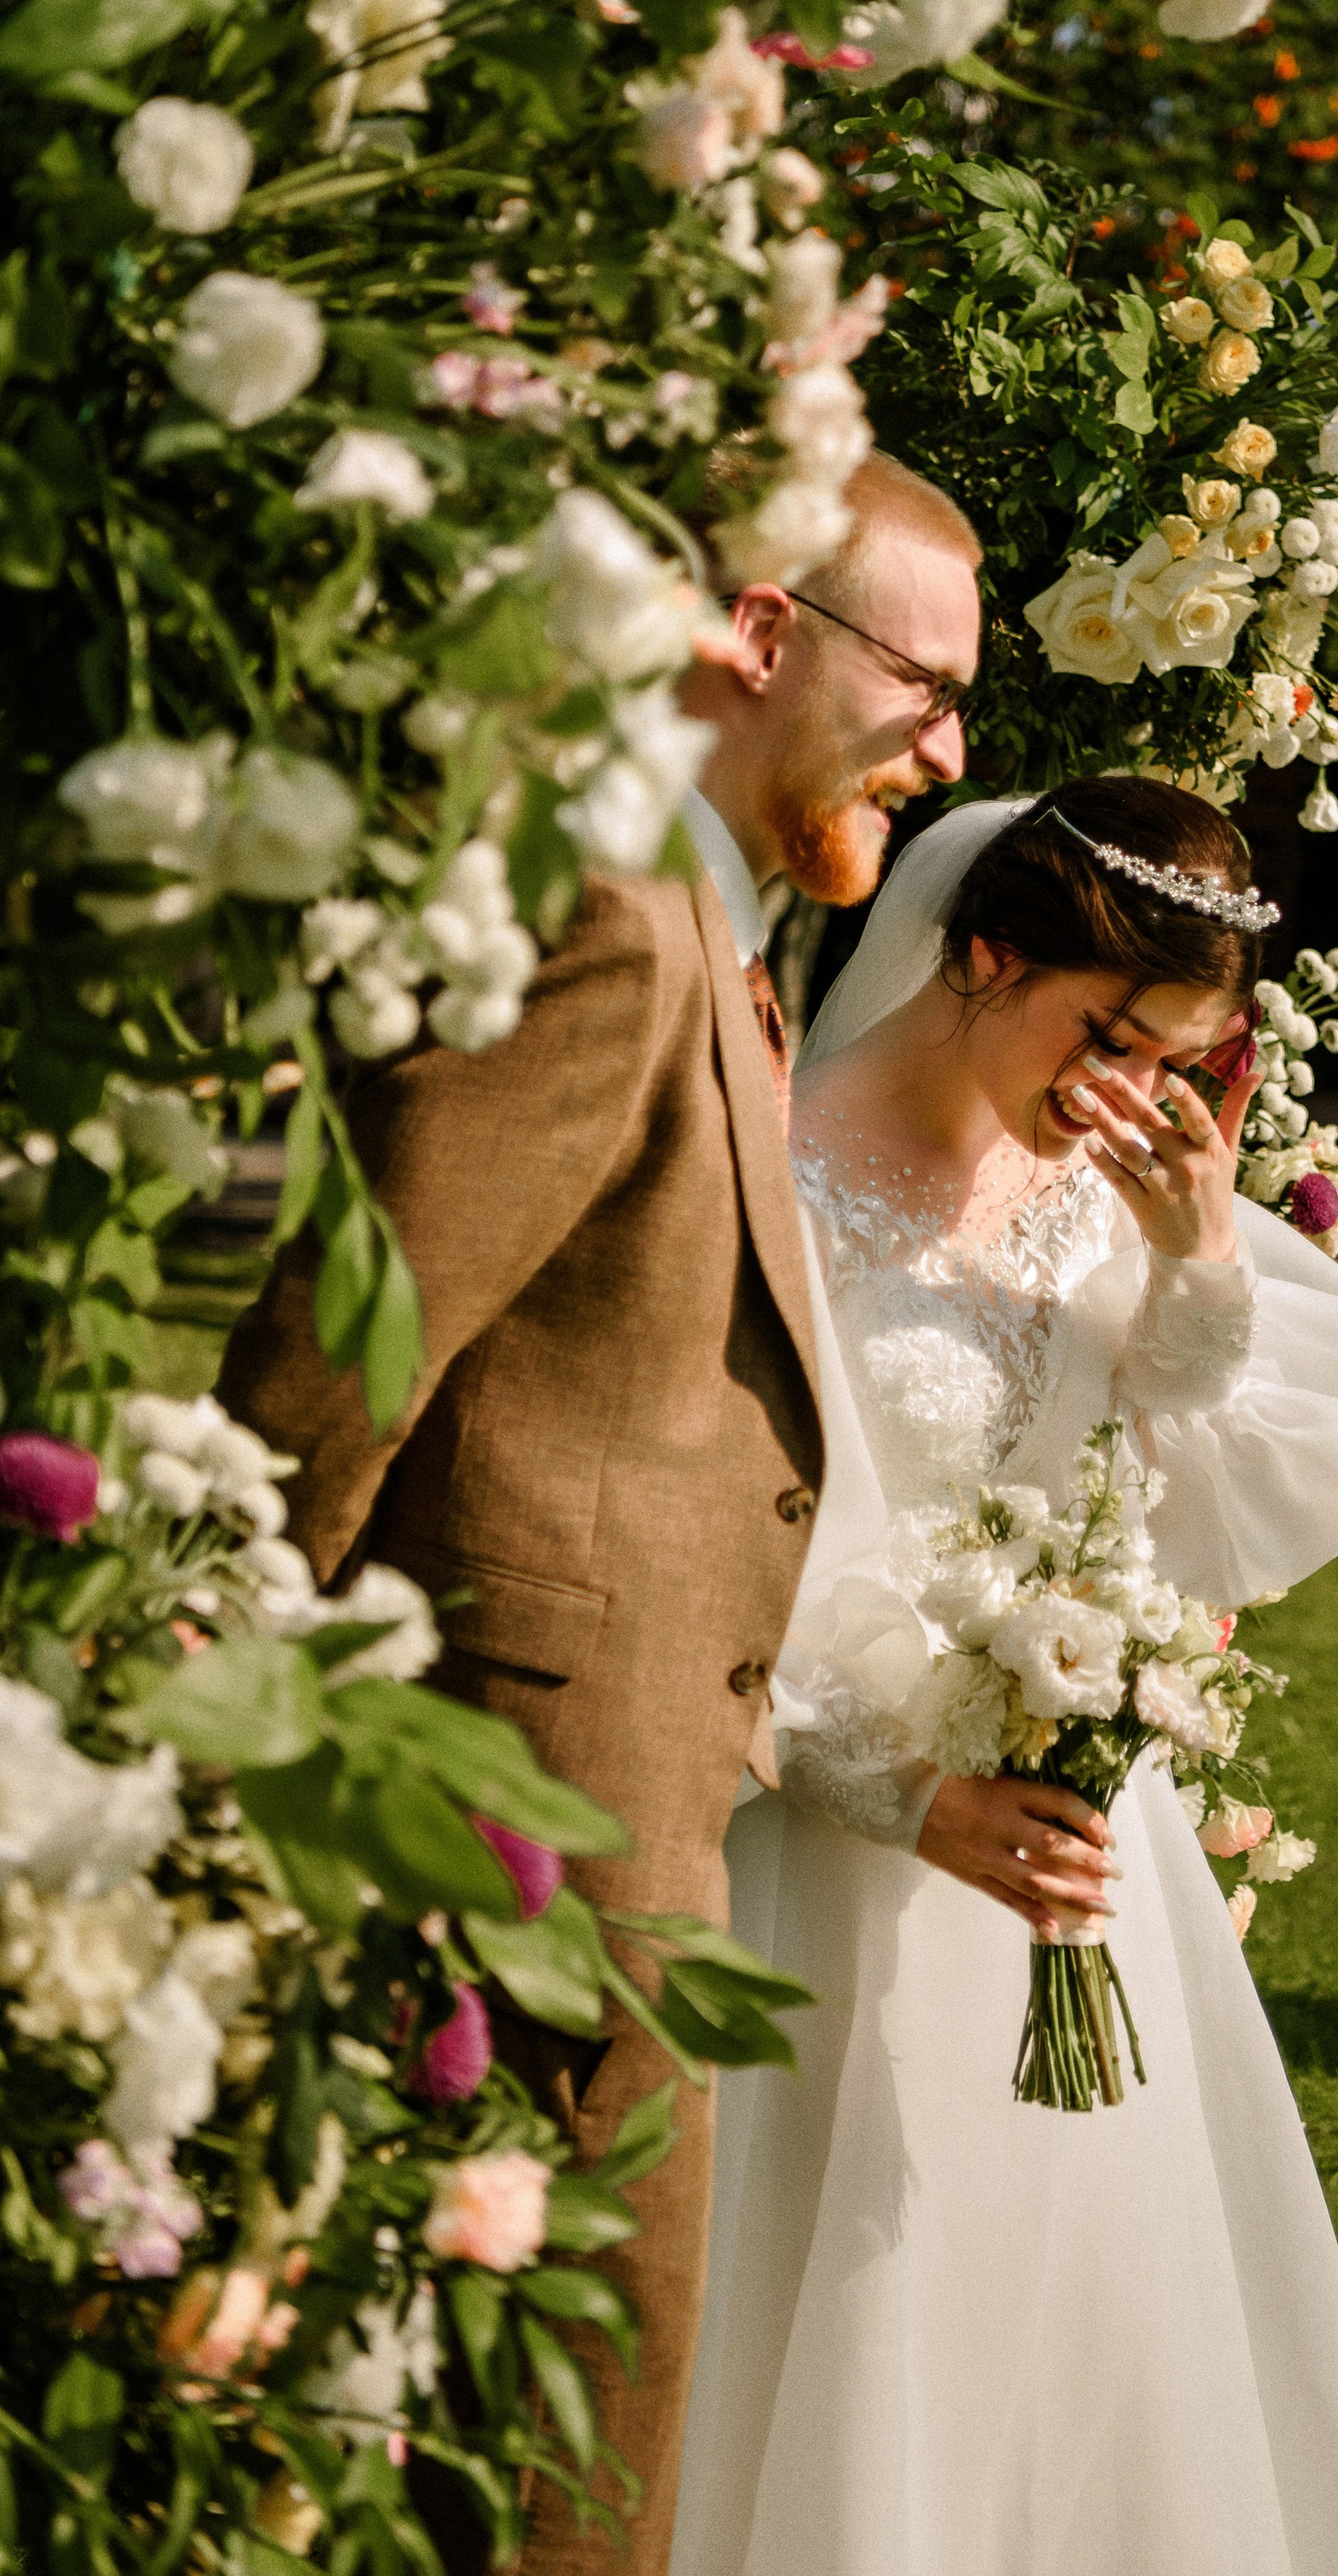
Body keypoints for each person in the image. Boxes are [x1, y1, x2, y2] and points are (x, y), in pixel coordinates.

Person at [216, 452, 982, 2576]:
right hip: (510, 1824)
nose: (949, 750)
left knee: (569, 2430)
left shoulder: (715, 926)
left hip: (612, 1816)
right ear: (759, 629)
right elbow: (346, 1352)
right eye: (926, 687)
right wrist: (183, 1707)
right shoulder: (607, 914)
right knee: (535, 2453)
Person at [672, 775, 1338, 2576]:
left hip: (1077, 1850)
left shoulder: (1098, 1185)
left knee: (1085, 2334)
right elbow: (714, 1546)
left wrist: (1194, 1245)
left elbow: (1186, 1468)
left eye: (1174, 1057)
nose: (1126, 1087)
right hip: (820, 1838)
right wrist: (905, 1789)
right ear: (979, 957)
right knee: (826, 2305)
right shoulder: (775, 1175)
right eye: (1105, 1033)